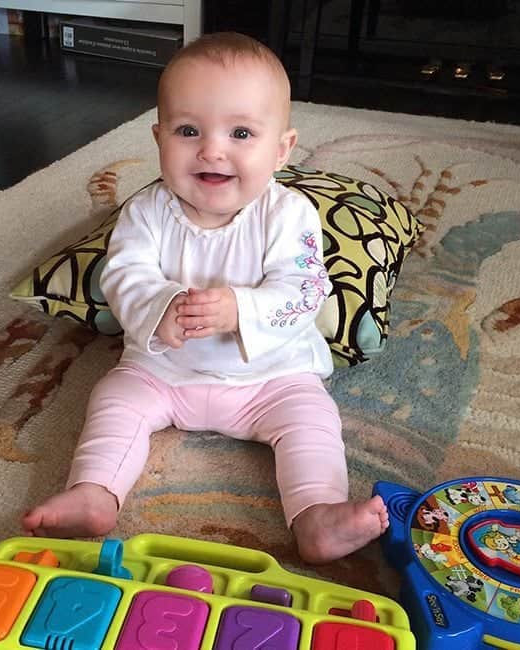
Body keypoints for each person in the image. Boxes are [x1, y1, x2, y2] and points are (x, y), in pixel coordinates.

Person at [21, 31, 388, 563]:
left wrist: (242, 308)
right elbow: (123, 274)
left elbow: (306, 288)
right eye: (189, 130)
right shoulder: (146, 212)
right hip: (163, 373)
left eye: (241, 132)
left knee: (312, 421)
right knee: (115, 400)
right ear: (158, 138)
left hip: (272, 378)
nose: (212, 149)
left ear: (281, 149)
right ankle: (95, 493)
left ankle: (317, 515)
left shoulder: (288, 215)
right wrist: (159, 306)